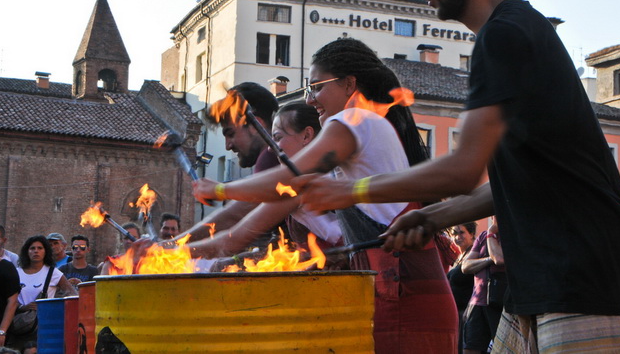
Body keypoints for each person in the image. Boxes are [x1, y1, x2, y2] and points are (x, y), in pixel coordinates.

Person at [294, 0, 620, 352]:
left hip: (583, 278)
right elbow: (523, 182)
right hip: (548, 279)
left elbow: (464, 169)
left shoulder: (504, 35)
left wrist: (354, 191)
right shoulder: (512, 32)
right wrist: (434, 214)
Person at [192, 38, 458, 353]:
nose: (309, 98)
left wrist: (219, 189)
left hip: (405, 300)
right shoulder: (366, 127)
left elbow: (284, 182)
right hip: (402, 295)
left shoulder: (353, 120)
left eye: (317, 87)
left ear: (349, 84)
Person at [185, 102, 343, 262]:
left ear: (306, 135)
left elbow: (231, 239)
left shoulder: (299, 183)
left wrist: (167, 252)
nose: (270, 148)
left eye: (278, 138)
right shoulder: (314, 174)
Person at [173, 82, 282, 248]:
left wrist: (171, 246)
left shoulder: (270, 156)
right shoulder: (273, 157)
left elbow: (235, 215)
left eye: (230, 134)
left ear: (255, 125)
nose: (227, 146)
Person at [461, 218, 505, 354]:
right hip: (478, 302)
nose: (494, 218)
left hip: (500, 302)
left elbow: (499, 258)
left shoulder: (511, 233)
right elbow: (465, 266)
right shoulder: (482, 236)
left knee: (501, 348)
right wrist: (488, 260)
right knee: (470, 347)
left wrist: (491, 233)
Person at [447, 222, 476, 354]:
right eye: (454, 233)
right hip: (455, 313)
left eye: (461, 232)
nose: (458, 236)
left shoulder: (475, 254)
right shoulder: (459, 257)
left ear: (472, 234)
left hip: (466, 313)